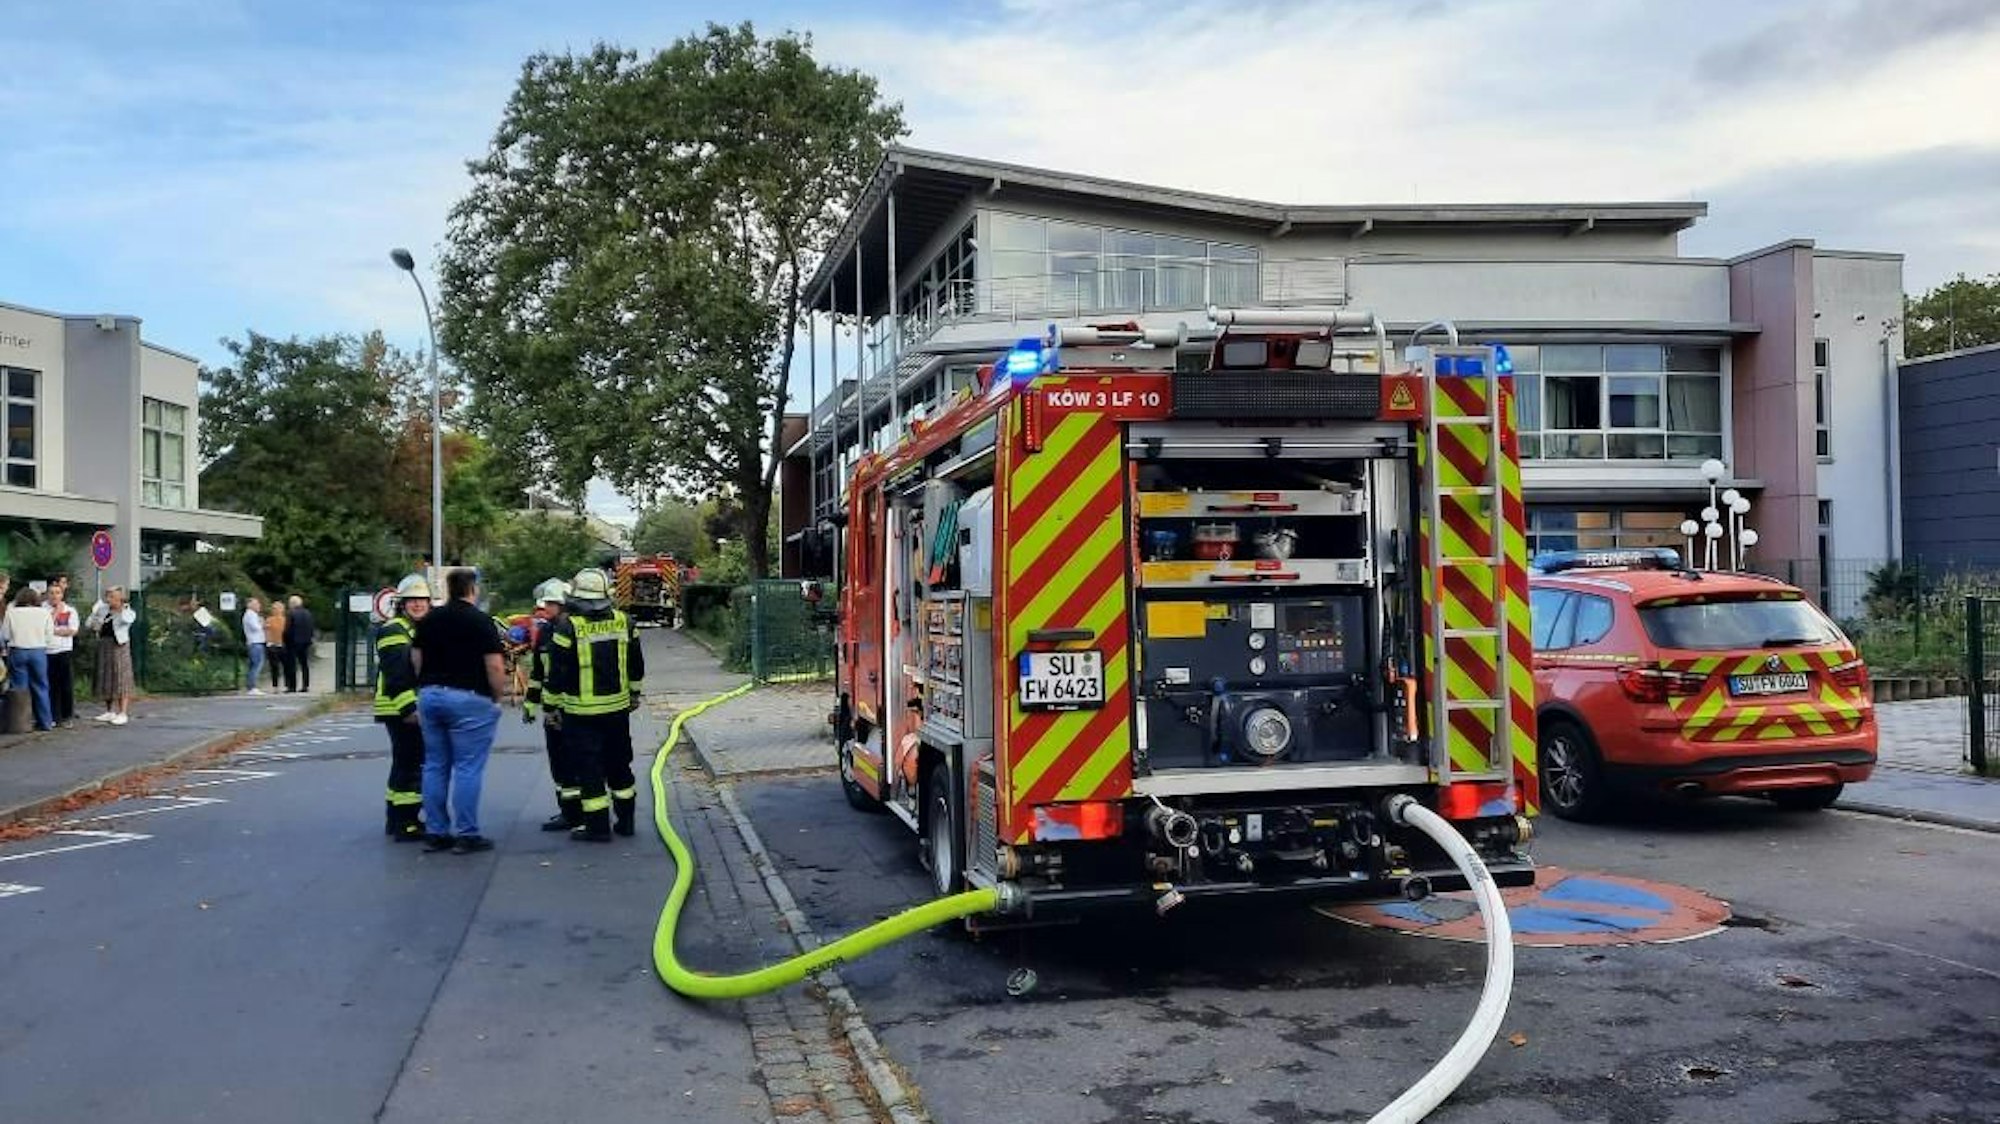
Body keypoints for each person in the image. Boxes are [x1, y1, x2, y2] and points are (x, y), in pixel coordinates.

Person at [412, 568, 508, 855]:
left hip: (430, 696)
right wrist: (496, 697)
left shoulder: (429, 620)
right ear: (472, 590)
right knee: (467, 767)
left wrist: (425, 685)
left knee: (435, 765)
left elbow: (416, 657)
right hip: (469, 699)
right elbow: (494, 665)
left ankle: (436, 832)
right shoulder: (480, 621)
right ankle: (467, 834)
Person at [546, 567, 644, 843]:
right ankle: (626, 822)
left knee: (589, 770)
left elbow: (557, 672)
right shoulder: (625, 622)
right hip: (617, 711)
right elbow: (637, 664)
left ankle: (598, 828)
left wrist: (550, 707)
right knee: (620, 765)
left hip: (581, 714)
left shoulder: (568, 627)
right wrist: (634, 695)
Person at [375, 574, 433, 842]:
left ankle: (396, 818)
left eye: (422, 600)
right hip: (400, 708)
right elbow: (397, 675)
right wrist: (409, 709)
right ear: (402, 603)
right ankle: (406, 822)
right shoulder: (394, 630)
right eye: (413, 601)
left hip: (405, 706)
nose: (418, 605)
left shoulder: (413, 630)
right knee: (411, 763)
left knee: (404, 761)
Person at [520, 578, 578, 831]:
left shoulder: (575, 630)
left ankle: (578, 813)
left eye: (552, 604)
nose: (547, 608)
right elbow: (538, 673)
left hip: (573, 707)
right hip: (552, 708)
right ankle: (567, 811)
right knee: (558, 760)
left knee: (573, 760)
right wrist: (530, 703)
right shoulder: (544, 632)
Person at [3, 587, 56, 731]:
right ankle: (45, 722)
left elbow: (6, 635)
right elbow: (49, 635)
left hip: (18, 651)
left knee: (20, 687)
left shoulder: (11, 612)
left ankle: (21, 724)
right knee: (41, 687)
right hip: (38, 651)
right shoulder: (44, 613)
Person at [84, 587, 137, 725]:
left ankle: (123, 712)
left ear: (120, 598)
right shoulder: (102, 609)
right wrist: (96, 617)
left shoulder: (127, 611)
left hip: (119, 646)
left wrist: (120, 609)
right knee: (106, 676)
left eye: (113, 597)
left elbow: (127, 620)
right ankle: (109, 710)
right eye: (108, 596)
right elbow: (89, 624)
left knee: (121, 677)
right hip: (104, 644)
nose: (109, 600)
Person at [46, 578, 79, 726]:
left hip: (64, 650)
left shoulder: (70, 610)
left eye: (57, 593)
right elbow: (44, 630)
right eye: (51, 593)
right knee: (50, 685)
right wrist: (55, 623)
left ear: (62, 594)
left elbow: (72, 630)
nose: (54, 596)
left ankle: (67, 716)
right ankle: (53, 716)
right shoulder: (42, 609)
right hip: (47, 651)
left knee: (66, 685)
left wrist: (54, 631)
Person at [284, 595, 317, 693]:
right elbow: (311, 627)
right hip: (305, 642)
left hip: (293, 642)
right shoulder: (308, 613)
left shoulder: (291, 613)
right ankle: (305, 685)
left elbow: (288, 629)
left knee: (292, 664)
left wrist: (285, 640)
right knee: (304, 664)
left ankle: (292, 686)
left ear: (292, 604)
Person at [241, 596, 266, 695]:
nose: (258, 606)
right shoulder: (250, 615)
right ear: (249, 605)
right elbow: (256, 628)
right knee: (257, 665)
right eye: (256, 604)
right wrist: (262, 623)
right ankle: (252, 687)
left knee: (253, 665)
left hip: (255, 642)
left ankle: (250, 685)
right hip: (255, 642)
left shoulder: (252, 615)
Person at [264, 598, 290, 691]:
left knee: (286, 666)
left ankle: (287, 685)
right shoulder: (269, 619)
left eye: (278, 608)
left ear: (282, 609)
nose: (275, 610)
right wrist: (268, 643)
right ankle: (275, 686)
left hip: (283, 645)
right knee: (274, 667)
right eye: (274, 608)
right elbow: (266, 631)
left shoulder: (285, 620)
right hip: (272, 646)